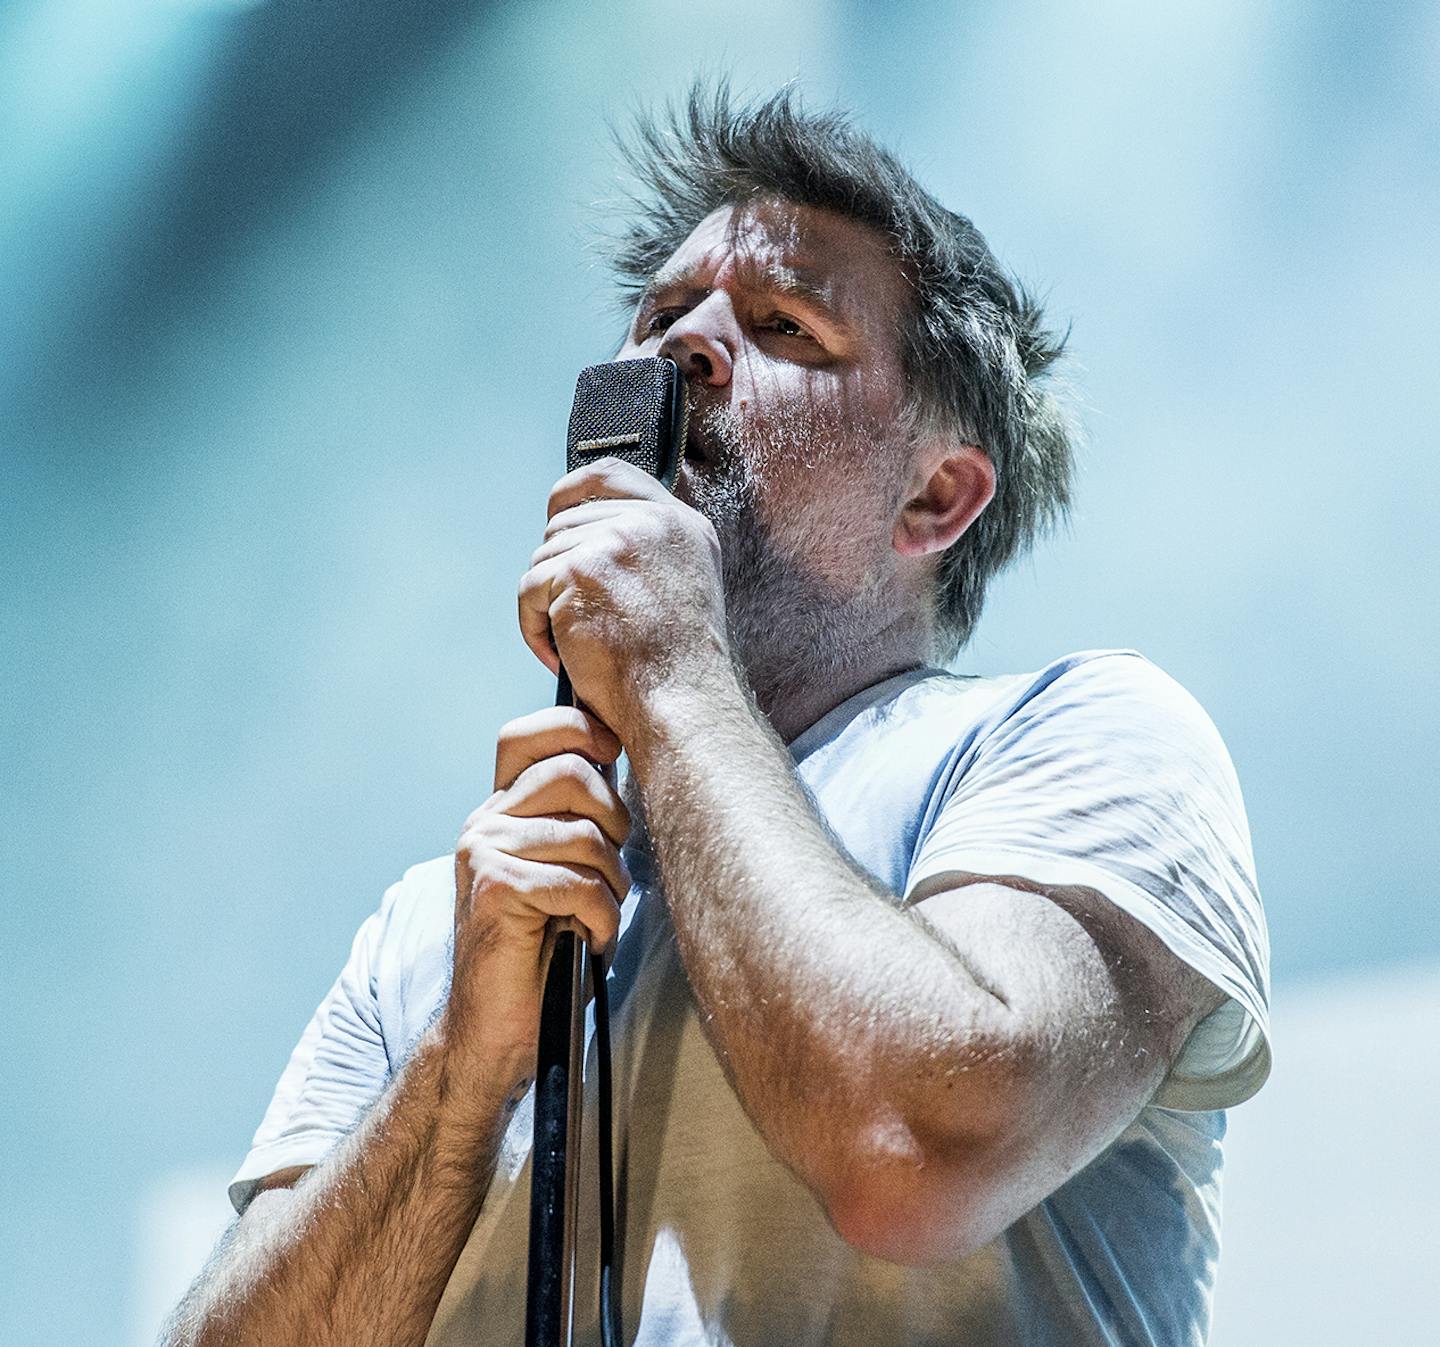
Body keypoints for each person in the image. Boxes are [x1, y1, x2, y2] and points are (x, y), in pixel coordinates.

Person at [164, 84, 1271, 1347]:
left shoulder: (1079, 739)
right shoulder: (443, 921)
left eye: (784, 323)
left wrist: (677, 674)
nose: (679, 347)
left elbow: (910, 1150)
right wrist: (459, 1080)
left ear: (936, 497)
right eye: (659, 315)